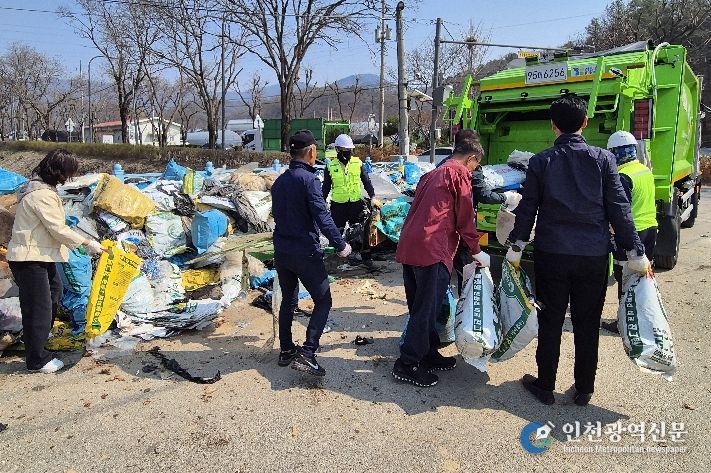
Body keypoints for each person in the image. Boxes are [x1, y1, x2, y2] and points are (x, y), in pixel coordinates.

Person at [505, 95, 650, 406]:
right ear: (585, 122)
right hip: (593, 256)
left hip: (552, 255)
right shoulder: (604, 159)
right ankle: (584, 389)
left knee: (551, 320)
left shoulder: (541, 162)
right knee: (587, 323)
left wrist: (516, 245)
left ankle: (545, 385)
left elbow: (528, 208)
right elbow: (619, 209)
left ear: (553, 125)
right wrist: (635, 251)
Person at [393, 132, 490, 388]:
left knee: (421, 306)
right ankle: (407, 364)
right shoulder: (459, 174)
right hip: (431, 249)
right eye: (475, 165)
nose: (474, 171)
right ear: (471, 159)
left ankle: (427, 352)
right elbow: (465, 218)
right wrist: (476, 250)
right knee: (427, 309)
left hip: (411, 245)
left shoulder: (432, 174)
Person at [7, 149, 105, 374]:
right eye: (68, 173)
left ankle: (40, 337)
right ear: (58, 171)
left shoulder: (41, 189)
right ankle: (37, 360)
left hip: (39, 255)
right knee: (38, 307)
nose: (68, 178)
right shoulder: (42, 194)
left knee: (54, 292)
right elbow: (58, 229)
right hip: (29, 258)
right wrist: (88, 243)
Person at [271, 130, 352, 377]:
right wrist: (341, 245)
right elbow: (322, 216)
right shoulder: (309, 180)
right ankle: (307, 352)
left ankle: (286, 350)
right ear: (312, 152)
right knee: (323, 300)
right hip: (305, 251)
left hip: (282, 251)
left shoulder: (279, 182)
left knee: (289, 299)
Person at [437, 129, 522, 295]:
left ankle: (448, 301)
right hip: (459, 229)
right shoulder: (468, 170)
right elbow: (482, 196)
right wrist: (506, 197)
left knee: (445, 267)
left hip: (442, 230)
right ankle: (466, 301)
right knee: (466, 268)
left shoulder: (443, 165)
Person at [601, 130, 658, 333]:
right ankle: (642, 317)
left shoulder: (623, 177)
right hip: (650, 229)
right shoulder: (644, 170)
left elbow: (619, 212)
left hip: (631, 235)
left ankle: (625, 322)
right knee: (642, 277)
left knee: (625, 278)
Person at [322, 133, 381, 270]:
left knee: (361, 232)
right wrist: (321, 202)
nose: (347, 153)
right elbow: (326, 187)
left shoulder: (357, 163)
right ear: (337, 150)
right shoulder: (330, 166)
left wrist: (372, 197)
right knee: (336, 234)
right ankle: (335, 262)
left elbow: (366, 181)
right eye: (344, 150)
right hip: (338, 206)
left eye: (349, 150)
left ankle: (367, 260)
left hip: (355, 204)